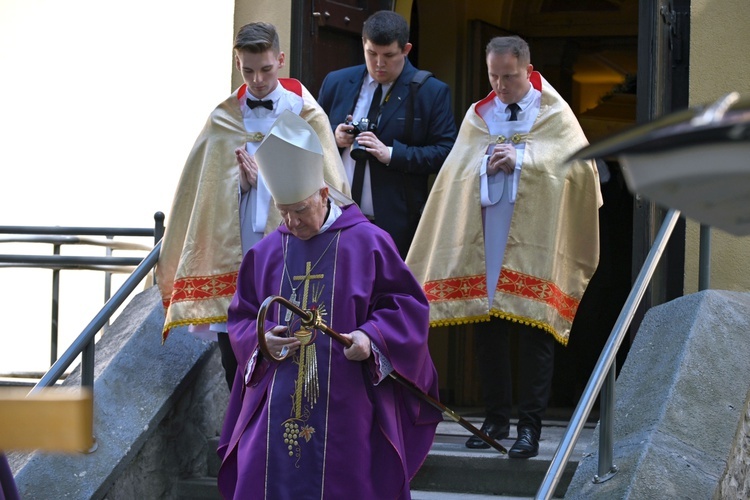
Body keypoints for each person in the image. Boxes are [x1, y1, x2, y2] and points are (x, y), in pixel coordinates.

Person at [217, 110, 442, 499]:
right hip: (276, 402)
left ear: (323, 194)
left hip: (347, 403)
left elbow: (407, 306)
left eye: (300, 210)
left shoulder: (368, 242)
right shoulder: (267, 253)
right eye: (283, 211)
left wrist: (371, 338)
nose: (292, 221)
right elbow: (242, 315)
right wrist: (261, 342)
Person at [406, 36, 602, 459]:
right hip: (487, 237)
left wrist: (523, 163)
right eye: (493, 75)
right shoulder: (480, 116)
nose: (499, 85)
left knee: (534, 335)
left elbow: (579, 171)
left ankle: (529, 428)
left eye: (508, 76)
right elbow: (454, 174)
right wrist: (483, 164)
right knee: (488, 335)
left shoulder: (555, 114)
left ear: (528, 71)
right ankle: (495, 418)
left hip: (534, 243)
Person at [156, 22, 349, 390]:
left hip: (295, 246)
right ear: (237, 63)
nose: (257, 80)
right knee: (236, 358)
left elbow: (332, 190)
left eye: (265, 69)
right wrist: (241, 186)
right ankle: (242, 437)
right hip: (240, 246)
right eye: (247, 70)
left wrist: (271, 182)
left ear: (280, 60)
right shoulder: (223, 118)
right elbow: (205, 193)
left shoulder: (306, 115)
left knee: (294, 354)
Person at [317, 10, 457, 259]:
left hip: (397, 225)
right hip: (333, 218)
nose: (379, 64)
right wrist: (334, 139)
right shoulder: (336, 82)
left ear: (406, 49)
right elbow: (312, 141)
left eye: (389, 55)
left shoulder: (431, 92)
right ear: (363, 44)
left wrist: (390, 153)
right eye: (371, 54)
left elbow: (445, 153)